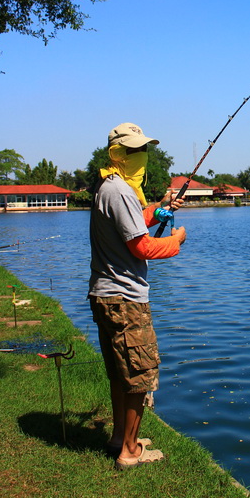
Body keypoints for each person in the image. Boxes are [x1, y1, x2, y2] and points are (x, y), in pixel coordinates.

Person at [88, 122, 186, 470]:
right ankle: (130, 452)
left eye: (143, 149)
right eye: (134, 151)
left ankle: (121, 439)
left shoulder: (111, 187)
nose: (141, 156)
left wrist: (158, 210)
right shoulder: (120, 191)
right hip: (124, 299)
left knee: (121, 373)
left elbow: (131, 223)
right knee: (138, 377)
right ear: (118, 154)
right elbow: (141, 245)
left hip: (107, 294)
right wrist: (175, 241)